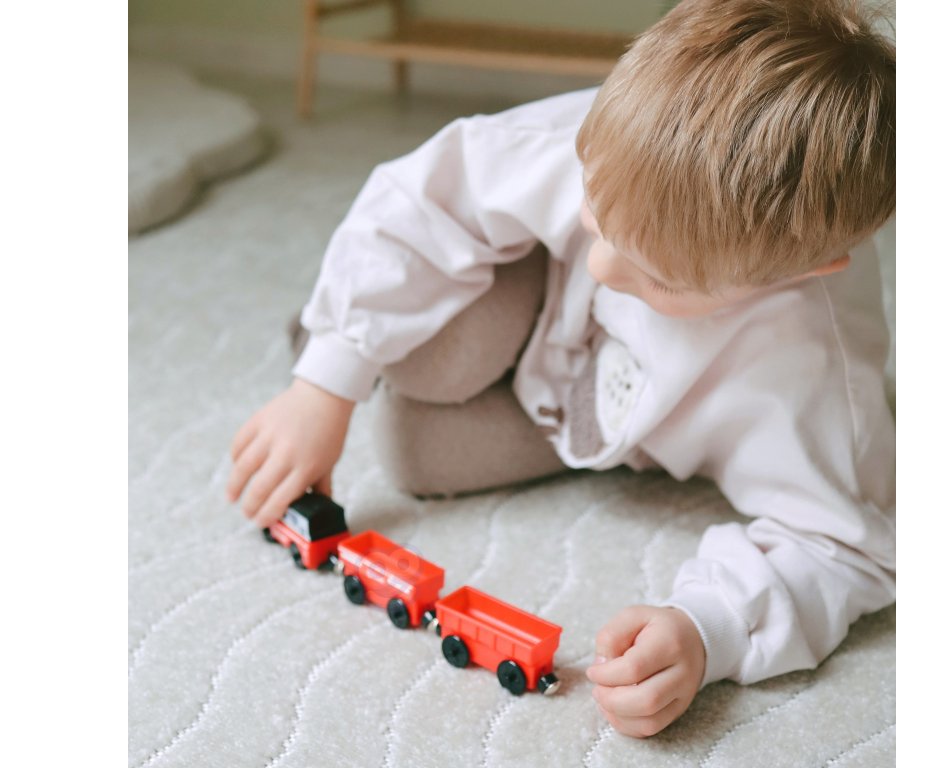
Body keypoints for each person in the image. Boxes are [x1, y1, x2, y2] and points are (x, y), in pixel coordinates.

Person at [226, 0, 895, 738]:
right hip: (526, 303)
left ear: (802, 271)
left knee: (411, 457)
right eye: (593, 215)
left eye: (658, 277)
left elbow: (844, 545)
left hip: (596, 416)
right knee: (431, 359)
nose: (604, 267)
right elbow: (423, 198)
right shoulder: (603, 136)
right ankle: (349, 326)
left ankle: (392, 337)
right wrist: (324, 383)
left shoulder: (816, 364)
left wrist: (708, 629)